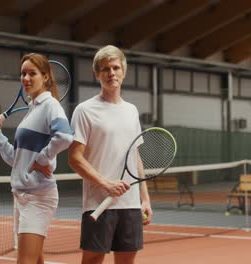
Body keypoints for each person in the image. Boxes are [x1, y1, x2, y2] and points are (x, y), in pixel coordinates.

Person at [68, 45, 152, 264]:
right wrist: (106, 184)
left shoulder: (131, 111)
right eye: (105, 69)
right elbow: (75, 158)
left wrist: (145, 198)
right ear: (97, 74)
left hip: (131, 205)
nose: (111, 73)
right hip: (98, 203)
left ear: (123, 72)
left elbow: (135, 155)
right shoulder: (85, 110)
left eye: (115, 68)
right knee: (92, 261)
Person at [0, 53, 73, 264]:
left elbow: (65, 136)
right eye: (23, 73)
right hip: (21, 197)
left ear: (45, 77)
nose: (26, 78)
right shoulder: (33, 110)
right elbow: (17, 160)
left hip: (38, 197)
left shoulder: (50, 105)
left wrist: (42, 159)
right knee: (36, 260)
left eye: (32, 73)